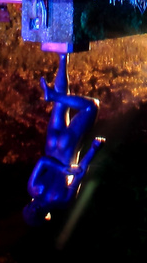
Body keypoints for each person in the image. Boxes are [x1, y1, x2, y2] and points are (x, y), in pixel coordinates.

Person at [23, 54, 104, 225]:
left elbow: (80, 173)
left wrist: (93, 150)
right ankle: (62, 57)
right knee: (61, 103)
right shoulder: (33, 189)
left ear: (46, 215)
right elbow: (43, 161)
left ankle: (53, 94)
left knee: (91, 107)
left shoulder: (62, 201)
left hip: (67, 149)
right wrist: (92, 150)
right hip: (52, 144)